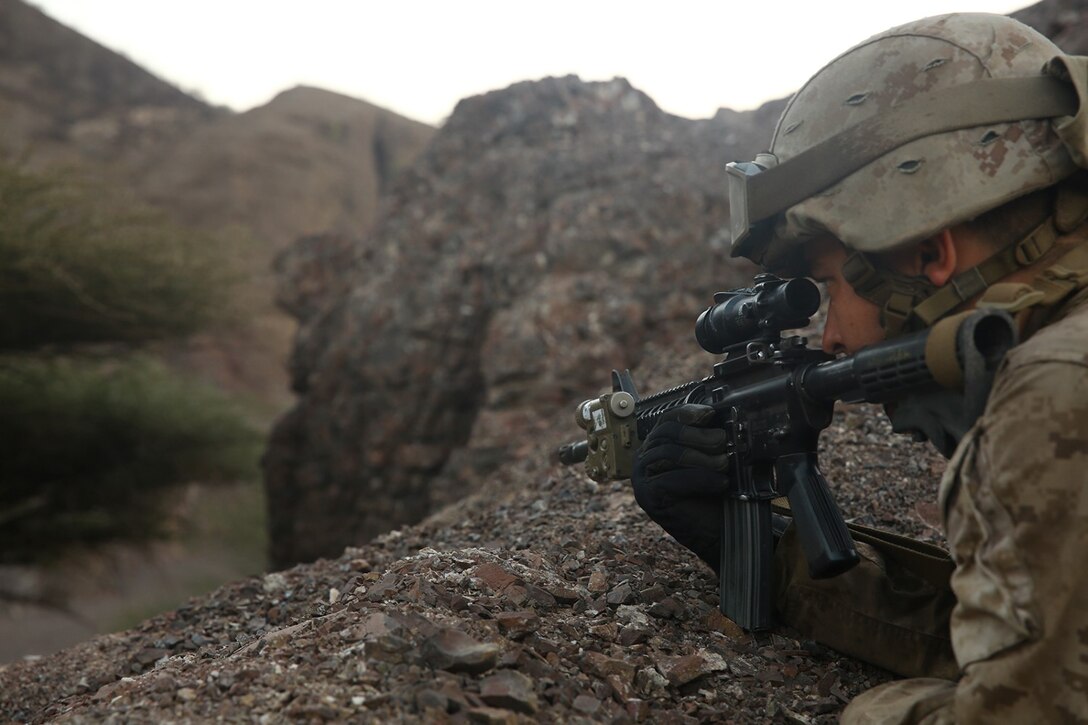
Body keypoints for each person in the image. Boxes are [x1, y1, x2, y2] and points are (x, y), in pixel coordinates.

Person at [631, 13, 1088, 723]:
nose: (835, 338)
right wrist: (764, 551)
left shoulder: (1056, 390)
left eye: (831, 285)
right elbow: (1036, 649)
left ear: (927, 255)